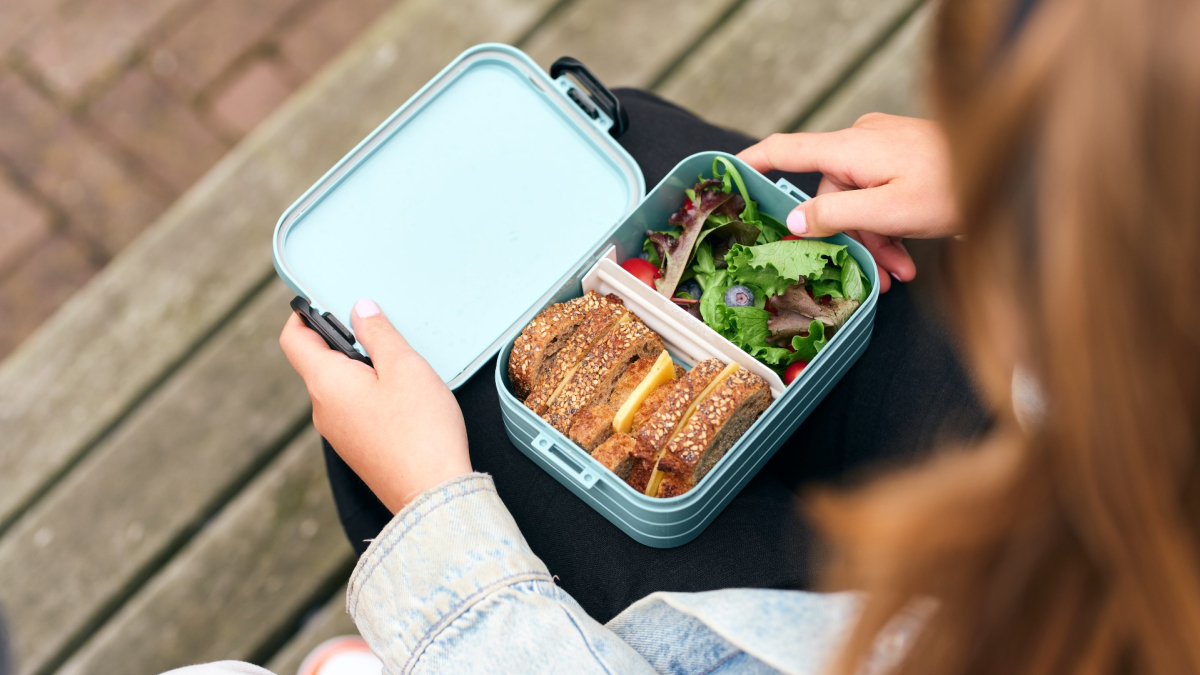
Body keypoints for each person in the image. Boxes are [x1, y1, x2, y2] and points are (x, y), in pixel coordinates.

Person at [170, 0, 1200, 671]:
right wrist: (1015, 182)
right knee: (650, 150)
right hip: (1083, 468)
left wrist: (443, 533)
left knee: (466, 407)